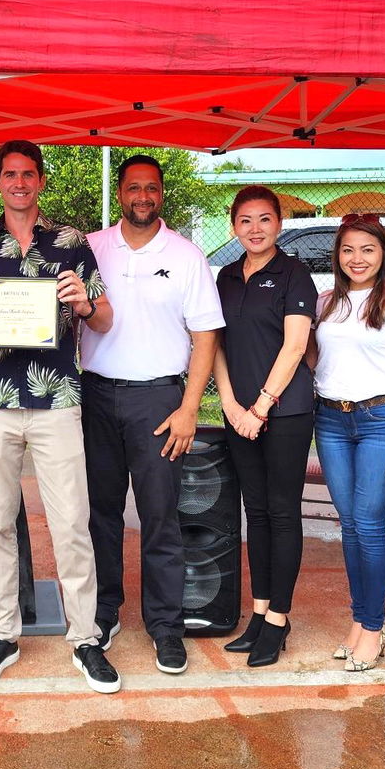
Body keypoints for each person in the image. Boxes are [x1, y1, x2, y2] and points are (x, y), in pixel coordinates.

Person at [0, 139, 122, 693]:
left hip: (58, 402)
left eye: (28, 174)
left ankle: (85, 637)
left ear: (40, 181)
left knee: (72, 521)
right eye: (10, 175)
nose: (19, 183)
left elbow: (103, 321)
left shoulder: (72, 244)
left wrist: (83, 302)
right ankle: (2, 634)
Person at [80, 154, 223, 675]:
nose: (143, 196)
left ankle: (165, 627)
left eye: (152, 188)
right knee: (100, 514)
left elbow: (206, 334)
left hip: (160, 402)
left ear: (162, 194)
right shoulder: (92, 248)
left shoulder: (186, 255)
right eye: (133, 188)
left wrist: (190, 407)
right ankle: (103, 611)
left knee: (161, 518)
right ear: (120, 193)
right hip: (96, 395)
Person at [310, 213, 385, 673]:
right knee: (351, 526)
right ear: (338, 255)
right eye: (348, 250)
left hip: (382, 420)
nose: (357, 259)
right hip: (332, 420)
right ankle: (361, 620)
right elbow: (316, 356)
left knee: (372, 526)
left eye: (368, 249)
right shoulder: (325, 302)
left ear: (383, 254)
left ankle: (373, 627)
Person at [214, 186, 316, 668]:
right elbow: (212, 345)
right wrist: (232, 405)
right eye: (246, 221)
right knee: (254, 513)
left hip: (286, 412)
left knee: (281, 512)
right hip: (239, 413)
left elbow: (295, 347)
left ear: (279, 223)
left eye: (265, 219)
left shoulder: (294, 274)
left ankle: (278, 618)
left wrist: (261, 407)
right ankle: (257, 614)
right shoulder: (227, 278)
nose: (255, 229)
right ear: (234, 226)